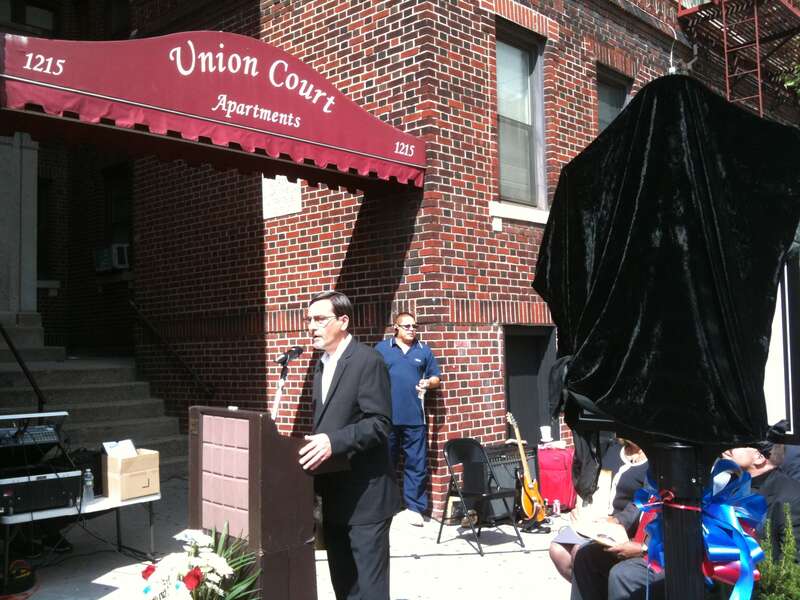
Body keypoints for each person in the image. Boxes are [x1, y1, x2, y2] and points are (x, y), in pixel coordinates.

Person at [298, 290, 400, 600]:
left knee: (369, 588)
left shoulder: (368, 361)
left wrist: (334, 441)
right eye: (309, 321)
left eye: (319, 319)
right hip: (334, 494)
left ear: (343, 321)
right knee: (343, 583)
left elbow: (379, 424)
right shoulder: (321, 364)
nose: (312, 327)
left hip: (367, 497)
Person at [550, 439, 649, 583]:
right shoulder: (611, 449)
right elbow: (589, 477)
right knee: (557, 549)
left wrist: (615, 520)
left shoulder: (652, 463)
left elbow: (643, 501)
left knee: (580, 551)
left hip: (622, 526)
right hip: (594, 518)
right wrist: (579, 505)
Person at [375, 312, 440, 526]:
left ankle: (414, 509)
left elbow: (435, 378)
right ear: (396, 327)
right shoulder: (382, 349)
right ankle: (386, 506)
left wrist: (428, 384)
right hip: (387, 418)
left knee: (416, 464)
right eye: (407, 326)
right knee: (385, 463)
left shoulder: (424, 350)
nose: (412, 329)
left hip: (415, 418)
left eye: (414, 326)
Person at [723, 441, 800, 562]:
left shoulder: (791, 498)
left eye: (739, 442)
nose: (727, 444)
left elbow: (792, 566)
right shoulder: (730, 486)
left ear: (759, 457)